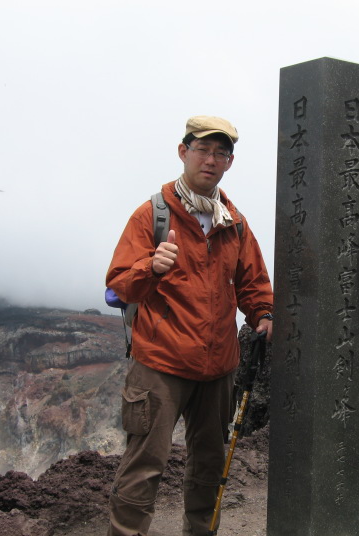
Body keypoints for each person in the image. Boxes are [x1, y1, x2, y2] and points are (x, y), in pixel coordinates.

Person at [105, 115, 274, 536]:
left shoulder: (233, 221)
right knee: (143, 467)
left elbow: (253, 284)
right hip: (160, 365)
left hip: (218, 369)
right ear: (184, 152)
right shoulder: (152, 214)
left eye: (222, 153)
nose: (211, 160)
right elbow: (118, 285)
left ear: (230, 163)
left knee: (210, 467)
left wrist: (265, 315)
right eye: (203, 149)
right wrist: (151, 266)